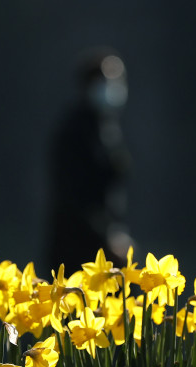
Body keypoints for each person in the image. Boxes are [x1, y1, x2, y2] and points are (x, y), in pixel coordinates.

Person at [46, 48, 134, 274]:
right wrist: (108, 237)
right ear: (88, 85)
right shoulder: (75, 130)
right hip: (77, 246)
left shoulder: (107, 127)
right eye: (105, 80)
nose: (111, 88)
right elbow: (74, 194)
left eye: (117, 79)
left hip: (103, 243)